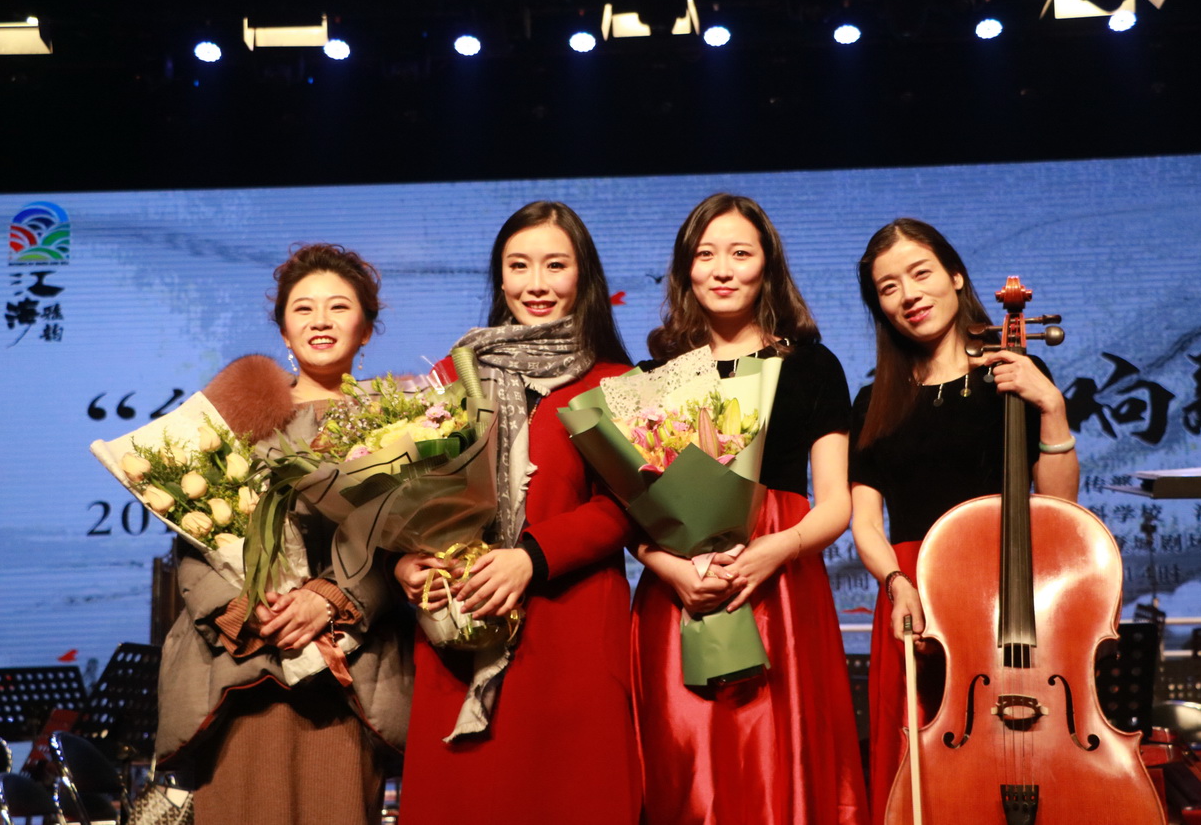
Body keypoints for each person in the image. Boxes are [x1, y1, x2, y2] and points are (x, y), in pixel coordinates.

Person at [393, 201, 641, 824]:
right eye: (518, 265)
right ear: (499, 277)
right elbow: (407, 500)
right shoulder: (452, 375)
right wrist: (406, 562)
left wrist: (531, 557)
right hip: (461, 625)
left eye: (555, 265)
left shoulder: (619, 381)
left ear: (583, 275)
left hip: (570, 632)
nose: (536, 283)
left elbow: (627, 506)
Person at [155, 244, 414, 824]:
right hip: (242, 668)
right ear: (283, 330)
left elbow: (405, 544)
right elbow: (190, 537)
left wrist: (333, 599)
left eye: (338, 307)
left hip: (348, 673)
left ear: (366, 328)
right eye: (303, 308)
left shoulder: (401, 424)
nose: (320, 321)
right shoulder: (230, 420)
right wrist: (241, 609)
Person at [631, 193, 869, 825]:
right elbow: (632, 514)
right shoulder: (656, 374)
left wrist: (775, 549)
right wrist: (670, 568)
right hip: (682, 590)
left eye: (740, 253)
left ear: (768, 265)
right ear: (685, 269)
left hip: (781, 582)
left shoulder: (812, 365)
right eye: (705, 255)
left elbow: (835, 503)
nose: (723, 269)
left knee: (779, 759)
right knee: (688, 771)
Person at [847, 218, 1080, 824]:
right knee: (922, 772)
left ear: (955, 276)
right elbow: (865, 521)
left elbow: (1059, 508)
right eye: (888, 287)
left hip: (1007, 590)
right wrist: (895, 582)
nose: (909, 295)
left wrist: (1051, 406)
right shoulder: (873, 403)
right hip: (914, 595)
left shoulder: (1015, 373)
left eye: (920, 273)